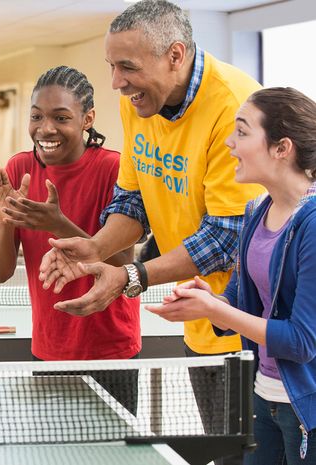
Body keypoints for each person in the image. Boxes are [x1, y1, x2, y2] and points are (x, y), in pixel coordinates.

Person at [36, 2, 264, 462]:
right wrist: (95, 247)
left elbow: (225, 237)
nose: (117, 82)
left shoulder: (234, 107)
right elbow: (133, 199)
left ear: (175, 55)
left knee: (249, 456)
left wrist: (131, 276)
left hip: (251, 327)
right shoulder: (138, 104)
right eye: (111, 67)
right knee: (223, 452)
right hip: (200, 318)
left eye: (128, 67)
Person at [147, 87, 316, 464]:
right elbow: (241, 304)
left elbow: (302, 341)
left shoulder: (313, 225)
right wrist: (208, 303)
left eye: (241, 132)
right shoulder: (256, 212)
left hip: (306, 408)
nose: (229, 142)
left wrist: (217, 310)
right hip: (263, 395)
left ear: (281, 148)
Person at [0, 66, 140, 412]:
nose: (46, 129)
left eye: (61, 117)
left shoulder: (114, 169)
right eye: (37, 116)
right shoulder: (19, 168)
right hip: (49, 345)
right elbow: (0, 272)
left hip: (109, 348)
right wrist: (6, 220)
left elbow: (125, 265)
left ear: (88, 119)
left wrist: (59, 223)